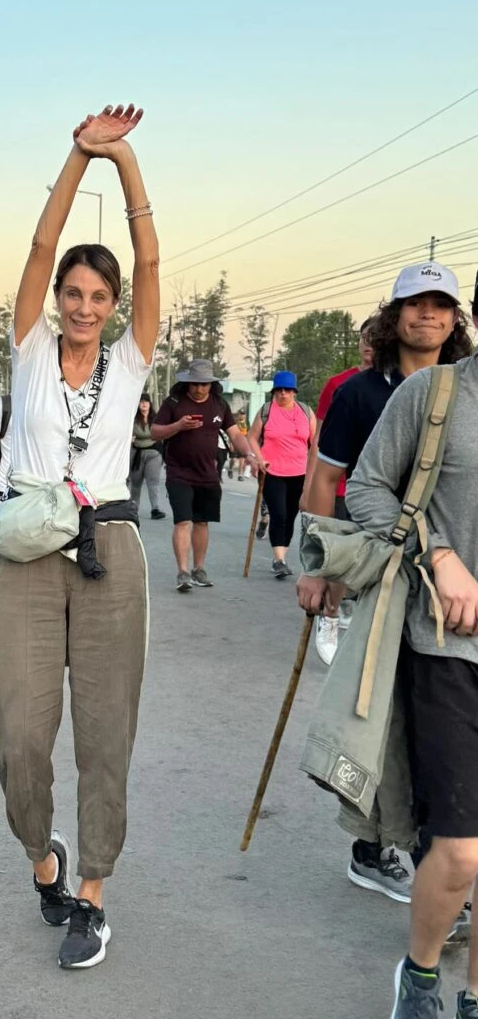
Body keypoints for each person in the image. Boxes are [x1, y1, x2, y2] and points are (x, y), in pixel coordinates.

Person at [0, 103, 159, 971]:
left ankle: (90, 892)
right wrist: (77, 158)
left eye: (99, 297)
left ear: (113, 306)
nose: (84, 306)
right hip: (27, 552)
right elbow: (39, 243)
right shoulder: (26, 350)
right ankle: (42, 858)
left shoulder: (130, 362)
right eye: (73, 294)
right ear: (56, 300)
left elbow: (151, 258)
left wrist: (123, 162)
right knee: (17, 731)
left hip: (109, 555)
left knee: (103, 733)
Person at [298, 261, 472, 923]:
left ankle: (436, 861)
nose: (427, 314)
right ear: (393, 315)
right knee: (379, 719)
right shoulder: (358, 392)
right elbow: (328, 481)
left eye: (440, 304)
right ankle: (375, 846)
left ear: (455, 318)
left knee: (426, 733)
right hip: (381, 571)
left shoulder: (461, 389)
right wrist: (317, 569)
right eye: (414, 303)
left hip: (445, 592)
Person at [343, 274, 478, 1019]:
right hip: (446, 647)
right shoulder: (435, 395)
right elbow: (362, 487)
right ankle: (420, 975)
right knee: (458, 849)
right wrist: (439, 552)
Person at [301, 320, 374, 664]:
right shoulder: (339, 384)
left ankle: (351, 612)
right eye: (364, 339)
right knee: (339, 557)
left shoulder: (405, 383)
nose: (370, 344)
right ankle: (330, 617)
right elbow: (320, 439)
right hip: (340, 483)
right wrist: (309, 483)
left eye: (376, 338)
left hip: (380, 491)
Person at [151, 359, 254, 591]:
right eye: (195, 384)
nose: (199, 389)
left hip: (208, 473)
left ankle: (199, 569)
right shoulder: (174, 402)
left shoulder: (219, 404)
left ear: (211, 384)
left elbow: (235, 434)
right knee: (182, 520)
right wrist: (178, 426)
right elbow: (155, 432)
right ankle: (183, 572)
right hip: (178, 472)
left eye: (204, 384)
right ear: (188, 383)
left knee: (201, 521)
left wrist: (249, 454)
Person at [247, 371, 316, 579]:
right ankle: (278, 560)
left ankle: (282, 557)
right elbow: (252, 437)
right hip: (272, 471)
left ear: (294, 392)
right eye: (279, 390)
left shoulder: (306, 412)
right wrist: (259, 458)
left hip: (300, 473)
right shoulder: (266, 411)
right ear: (274, 392)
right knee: (279, 514)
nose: (283, 394)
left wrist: (316, 470)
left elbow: (315, 444)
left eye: (287, 390)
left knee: (291, 516)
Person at [129, 393, 165, 519]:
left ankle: (155, 509)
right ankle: (133, 510)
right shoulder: (133, 419)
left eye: (146, 401)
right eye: (141, 401)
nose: (144, 404)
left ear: (150, 404)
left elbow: (163, 433)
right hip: (137, 454)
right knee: (136, 483)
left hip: (153, 453)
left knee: (153, 482)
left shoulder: (156, 418)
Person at [227, 408, 249, 480]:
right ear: (238, 415)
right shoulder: (234, 422)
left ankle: (240, 475)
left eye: (243, 414)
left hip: (243, 443)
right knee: (233, 459)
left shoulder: (247, 422)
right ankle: (230, 469)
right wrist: (231, 443)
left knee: (242, 460)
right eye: (241, 414)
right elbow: (230, 433)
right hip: (235, 442)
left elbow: (249, 433)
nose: (242, 416)